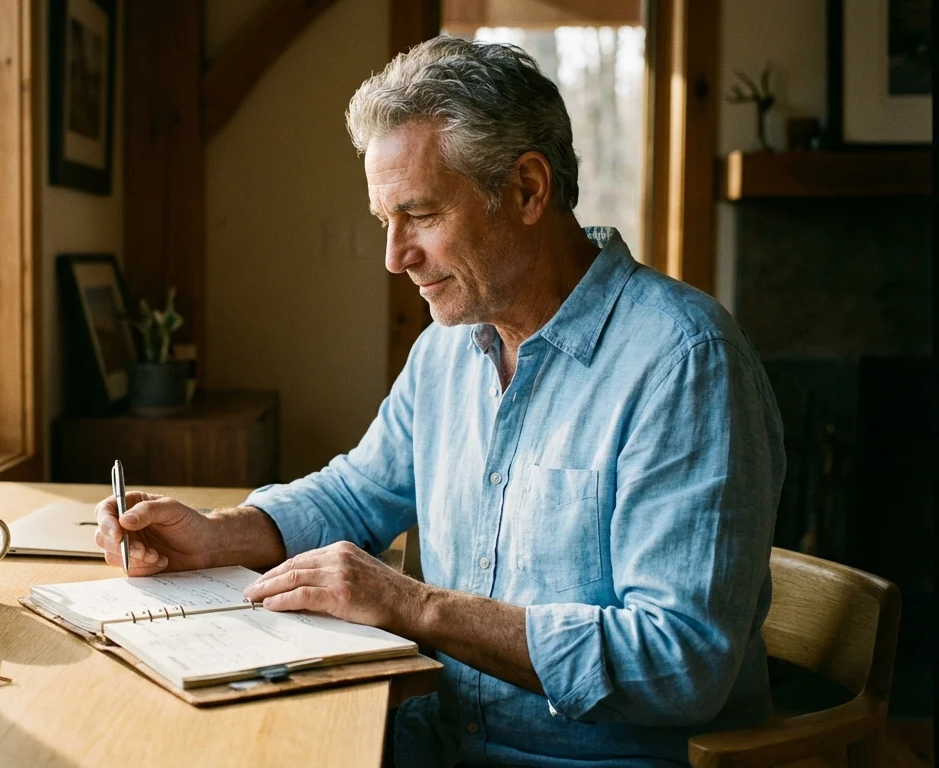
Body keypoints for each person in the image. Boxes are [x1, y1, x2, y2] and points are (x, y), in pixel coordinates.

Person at [93, 36, 784, 767]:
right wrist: (214, 534)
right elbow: (358, 493)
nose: (395, 257)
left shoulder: (684, 362)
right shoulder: (450, 346)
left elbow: (679, 662)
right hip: (443, 740)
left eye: (419, 214)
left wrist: (414, 605)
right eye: (383, 221)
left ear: (526, 189)